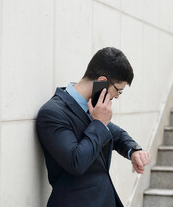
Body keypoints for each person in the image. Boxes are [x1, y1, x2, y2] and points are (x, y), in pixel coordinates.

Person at [36, 47, 151, 207]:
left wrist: (134, 151)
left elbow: (116, 134)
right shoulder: (52, 113)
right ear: (103, 81)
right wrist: (98, 123)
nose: (117, 96)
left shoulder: (93, 107)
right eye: (118, 90)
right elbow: (76, 162)